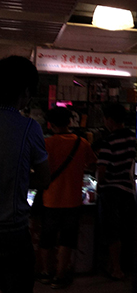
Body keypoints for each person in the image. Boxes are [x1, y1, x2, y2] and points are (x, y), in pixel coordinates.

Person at [0, 55, 50, 293]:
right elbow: (44, 178)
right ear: (26, 91)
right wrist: (17, 178)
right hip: (12, 234)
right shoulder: (30, 127)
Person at [38, 107, 97, 289]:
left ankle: (46, 273)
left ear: (50, 124)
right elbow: (92, 164)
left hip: (50, 199)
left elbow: (40, 169)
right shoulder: (82, 142)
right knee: (67, 239)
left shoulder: (46, 143)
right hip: (73, 200)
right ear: (70, 121)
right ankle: (60, 275)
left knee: (47, 238)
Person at [96, 103, 136, 280]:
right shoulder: (134, 138)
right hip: (129, 190)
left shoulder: (109, 141)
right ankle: (124, 265)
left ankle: (116, 268)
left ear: (110, 120)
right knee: (126, 229)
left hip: (111, 191)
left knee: (112, 231)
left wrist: (100, 184)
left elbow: (102, 169)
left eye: (105, 119)